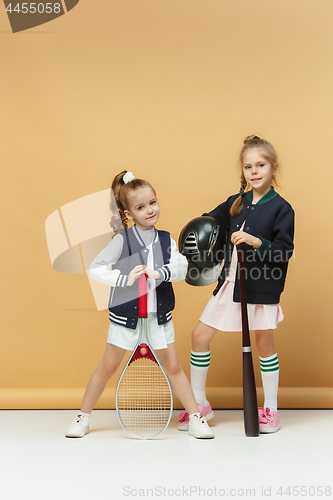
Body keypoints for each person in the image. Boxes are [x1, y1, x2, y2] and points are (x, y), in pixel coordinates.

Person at [66, 171, 214, 439]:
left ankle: (196, 418)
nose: (150, 210)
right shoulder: (122, 240)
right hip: (126, 319)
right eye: (141, 207)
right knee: (108, 367)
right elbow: (96, 267)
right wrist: (124, 278)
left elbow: (181, 267)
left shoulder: (167, 240)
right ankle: (82, 417)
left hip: (159, 318)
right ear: (128, 213)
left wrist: (160, 273)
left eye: (153, 202)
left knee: (174, 368)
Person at [178, 135, 294, 433]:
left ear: (274, 168)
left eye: (261, 165)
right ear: (242, 171)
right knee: (199, 336)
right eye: (248, 166)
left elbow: (284, 251)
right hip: (228, 284)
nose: (254, 171)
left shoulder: (282, 209)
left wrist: (257, 242)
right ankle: (199, 405)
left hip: (259, 287)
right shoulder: (236, 203)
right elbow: (208, 223)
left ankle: (270, 409)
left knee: (264, 344)